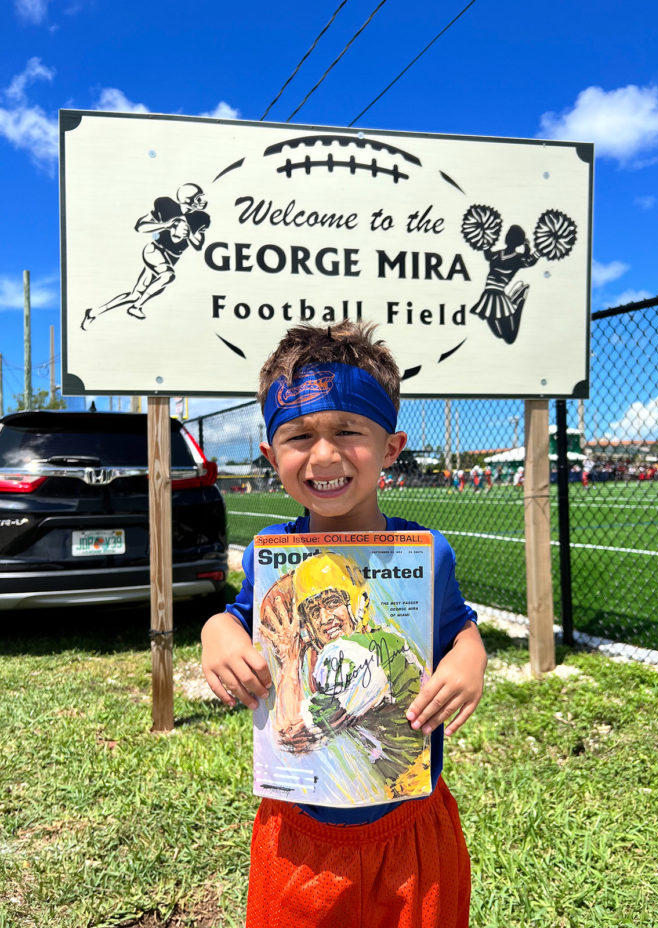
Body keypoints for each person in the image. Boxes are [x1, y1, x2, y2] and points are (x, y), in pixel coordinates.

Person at [201, 321, 487, 928]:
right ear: (270, 454)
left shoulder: (425, 553)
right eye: (299, 435)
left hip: (408, 826)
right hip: (297, 829)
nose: (324, 455)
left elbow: (459, 631)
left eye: (348, 431)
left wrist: (468, 658)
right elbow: (237, 618)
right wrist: (215, 633)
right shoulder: (269, 554)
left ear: (390, 447)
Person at [259, 552, 429, 802]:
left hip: (410, 790)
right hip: (405, 786)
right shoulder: (383, 640)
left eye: (332, 602)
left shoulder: (353, 654)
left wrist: (289, 657)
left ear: (358, 602)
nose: (325, 618)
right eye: (313, 610)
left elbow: (291, 735)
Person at [80, 183, 210, 328]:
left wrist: (188, 233)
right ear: (187, 199)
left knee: (135, 294)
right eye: (198, 198)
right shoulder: (166, 205)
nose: (202, 201)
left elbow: (198, 244)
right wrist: (166, 225)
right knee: (168, 275)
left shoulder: (201, 218)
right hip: (155, 251)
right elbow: (140, 226)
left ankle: (94, 312)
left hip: (172, 258)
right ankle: (136, 307)